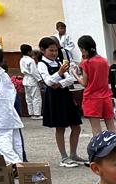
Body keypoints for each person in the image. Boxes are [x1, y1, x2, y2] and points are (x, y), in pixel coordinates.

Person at [38, 36, 84, 167]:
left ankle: (73, 154)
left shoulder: (59, 62)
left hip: (65, 95)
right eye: (51, 50)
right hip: (54, 98)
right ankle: (64, 157)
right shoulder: (42, 64)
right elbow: (48, 82)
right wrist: (59, 74)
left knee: (76, 126)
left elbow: (69, 79)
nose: (54, 53)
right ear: (43, 50)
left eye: (56, 50)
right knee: (60, 127)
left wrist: (59, 83)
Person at [77, 36, 114, 135]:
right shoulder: (104, 61)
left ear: (84, 49)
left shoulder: (86, 63)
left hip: (92, 97)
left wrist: (74, 74)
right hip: (106, 96)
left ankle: (99, 149)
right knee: (111, 126)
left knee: (96, 128)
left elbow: (84, 83)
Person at [19, 44, 43, 119]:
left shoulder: (22, 59)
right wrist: (40, 79)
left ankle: (31, 113)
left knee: (28, 98)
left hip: (26, 80)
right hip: (32, 80)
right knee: (36, 97)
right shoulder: (31, 60)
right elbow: (34, 72)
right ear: (29, 52)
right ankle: (37, 114)